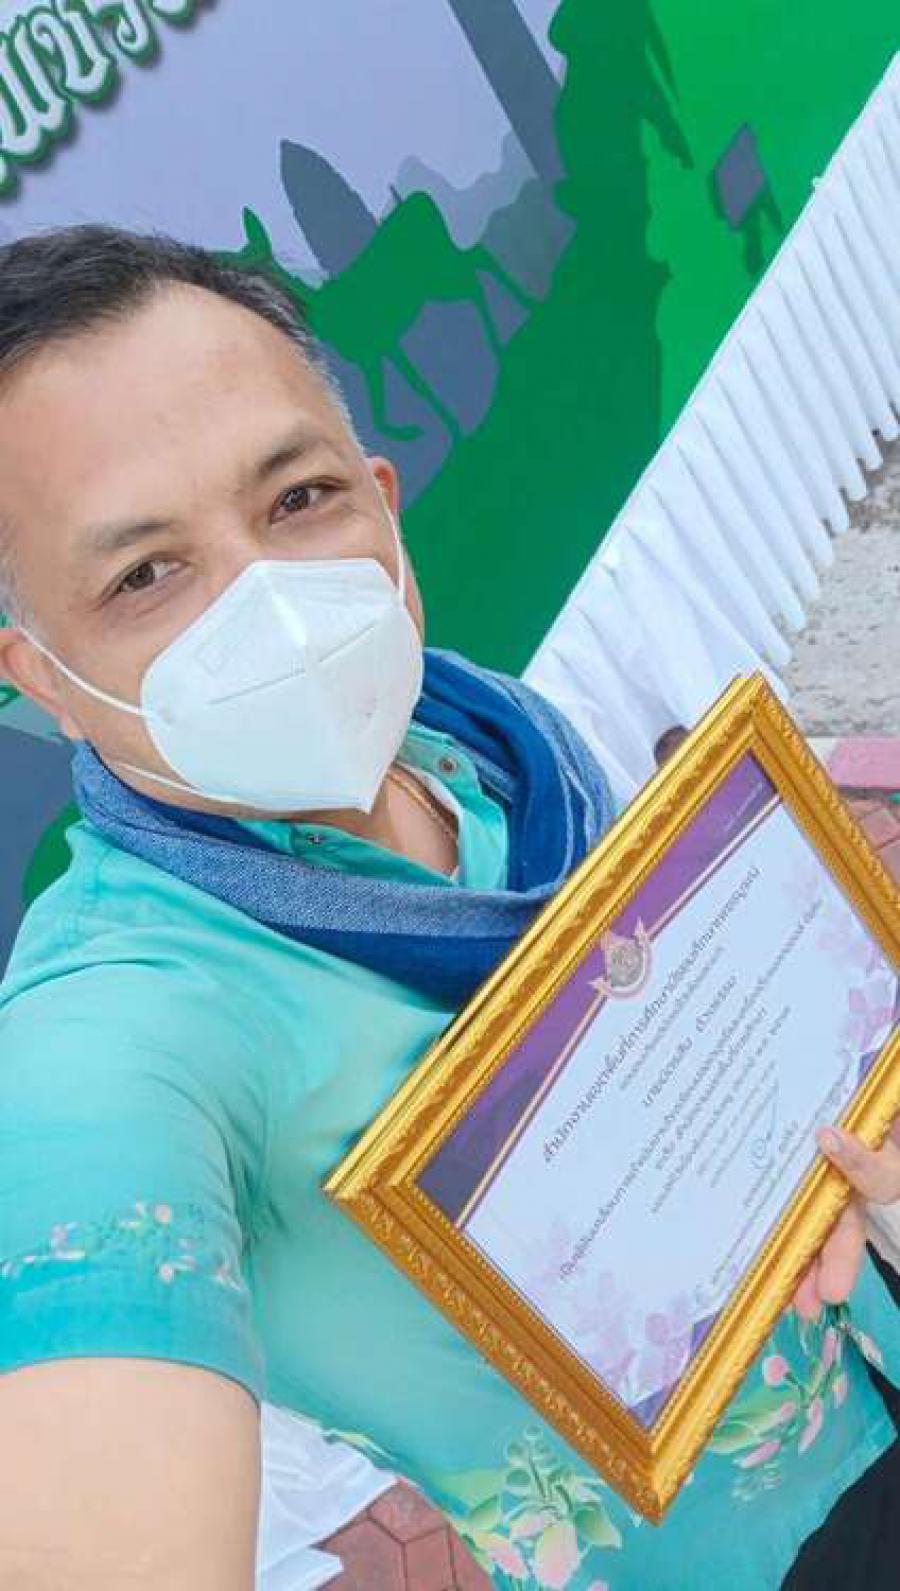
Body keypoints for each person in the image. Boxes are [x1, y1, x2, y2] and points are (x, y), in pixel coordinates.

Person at [0, 224, 897, 1591]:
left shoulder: (492, 748)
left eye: (298, 499)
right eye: (144, 575)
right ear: (41, 678)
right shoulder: (119, 1031)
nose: (271, 607)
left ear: (381, 501)